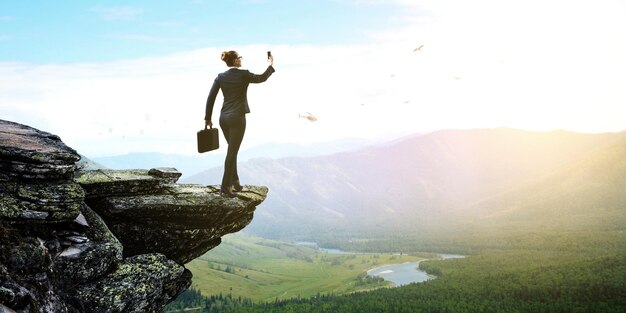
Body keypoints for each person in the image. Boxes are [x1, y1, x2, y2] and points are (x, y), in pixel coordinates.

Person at [205, 50, 275, 197]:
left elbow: (211, 97)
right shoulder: (244, 74)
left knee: (232, 150)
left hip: (223, 118)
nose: (241, 60)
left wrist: (207, 118)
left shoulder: (220, 77)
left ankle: (235, 182)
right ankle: (226, 186)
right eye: (239, 58)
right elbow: (261, 78)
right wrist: (270, 65)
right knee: (232, 152)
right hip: (237, 118)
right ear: (235, 61)